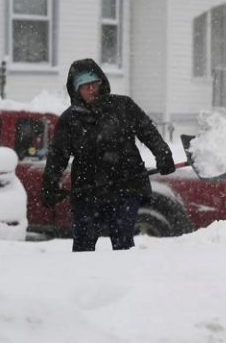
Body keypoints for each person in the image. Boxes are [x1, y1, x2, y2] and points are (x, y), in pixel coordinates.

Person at [40, 58, 175, 251]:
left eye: (95, 84)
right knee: (83, 246)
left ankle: (122, 280)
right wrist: (50, 185)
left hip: (126, 186)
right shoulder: (70, 120)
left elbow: (148, 131)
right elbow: (57, 156)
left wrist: (163, 154)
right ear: (76, 90)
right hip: (87, 191)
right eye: (85, 86)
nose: (91, 90)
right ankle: (85, 280)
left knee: (123, 243)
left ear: (102, 83)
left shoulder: (123, 106)